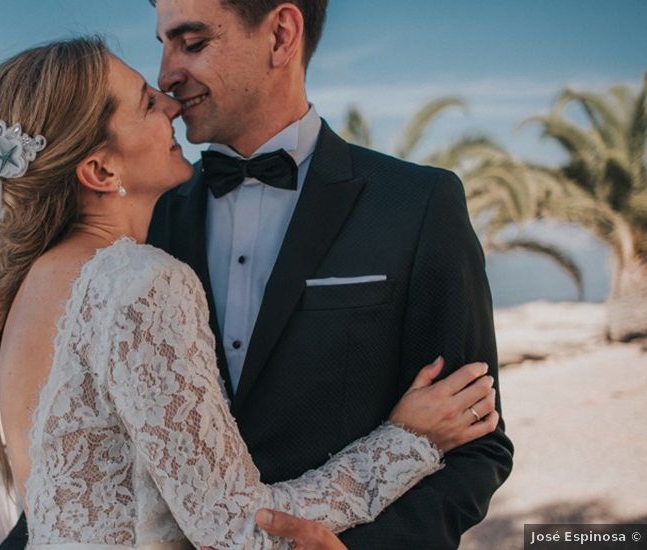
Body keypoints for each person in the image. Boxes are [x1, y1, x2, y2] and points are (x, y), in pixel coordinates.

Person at [0, 37, 501, 550]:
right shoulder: (140, 280)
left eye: (191, 41)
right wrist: (407, 441)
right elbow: (237, 529)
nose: (171, 100)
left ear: (281, 34)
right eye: (146, 103)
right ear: (100, 171)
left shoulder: (29, 284)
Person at [146, 0, 514, 548]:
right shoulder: (150, 220)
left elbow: (478, 443)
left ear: (281, 36)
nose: (166, 76)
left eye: (192, 43)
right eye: (164, 46)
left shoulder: (417, 203)